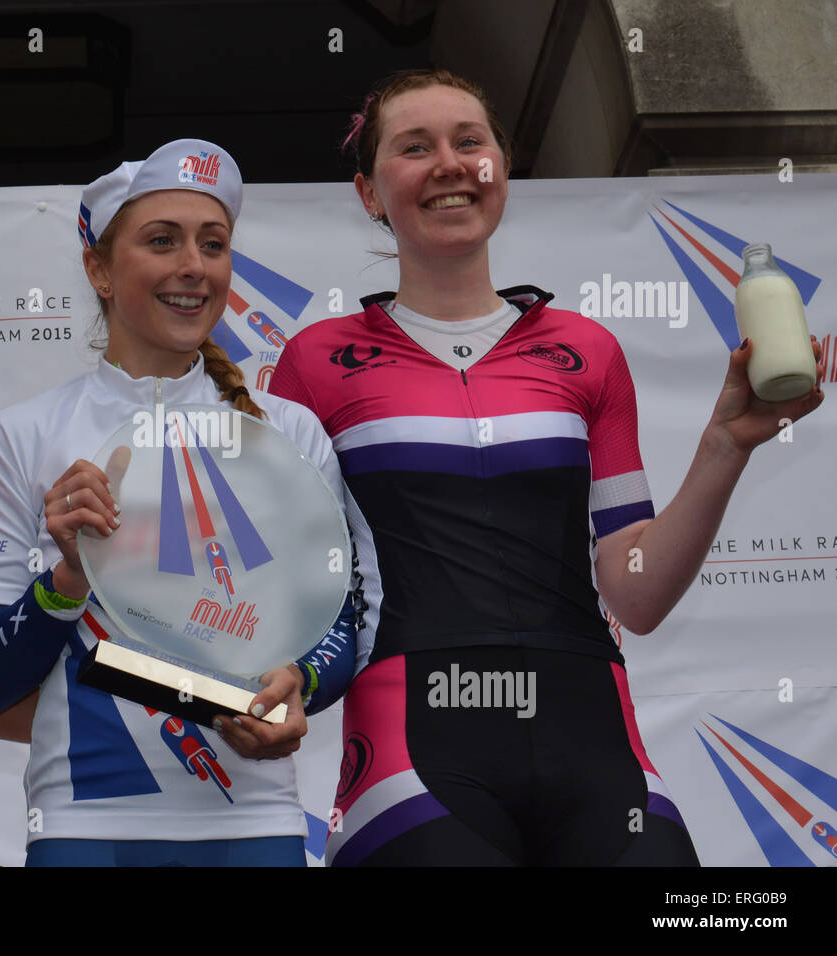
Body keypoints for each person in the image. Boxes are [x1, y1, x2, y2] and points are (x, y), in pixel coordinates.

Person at [269, 69, 826, 866]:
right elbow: (295, 580)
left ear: (501, 165)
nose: (450, 164)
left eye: (470, 142)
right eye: (414, 148)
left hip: (592, 733)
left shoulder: (586, 349)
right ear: (368, 192)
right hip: (412, 742)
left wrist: (725, 445)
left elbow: (633, 590)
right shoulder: (316, 361)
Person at [0, 139, 374, 866]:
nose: (193, 266)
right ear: (99, 270)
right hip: (84, 825)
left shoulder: (288, 431)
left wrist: (298, 681)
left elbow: (345, 614)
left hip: (257, 825)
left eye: (213, 244)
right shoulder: (19, 436)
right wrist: (66, 582)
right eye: (162, 241)